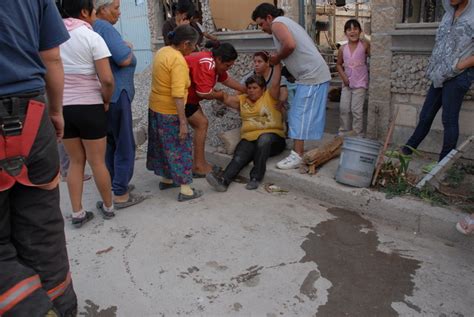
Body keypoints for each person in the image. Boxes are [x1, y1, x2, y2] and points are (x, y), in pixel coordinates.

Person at [0, 0, 78, 315]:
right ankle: (61, 307)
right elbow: (51, 57)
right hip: (33, 115)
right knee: (42, 229)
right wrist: (56, 112)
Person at [57, 0, 116, 227]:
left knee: (75, 161)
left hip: (64, 107)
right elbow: (107, 79)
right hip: (91, 106)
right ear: (84, 12)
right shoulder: (92, 37)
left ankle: (77, 213)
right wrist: (106, 100)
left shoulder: (53, 38)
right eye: (92, 11)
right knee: (97, 161)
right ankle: (109, 206)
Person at [252, 3, 331, 170]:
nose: (261, 28)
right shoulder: (284, 22)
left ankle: (297, 155)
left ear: (268, 18)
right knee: (298, 113)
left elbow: (290, 45)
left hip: (312, 76)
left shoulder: (277, 24)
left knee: (297, 114)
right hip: (310, 75)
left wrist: (277, 58)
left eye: (261, 24)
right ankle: (298, 151)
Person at [401, 0, 473, 163]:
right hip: (440, 74)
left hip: (458, 75)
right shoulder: (448, 14)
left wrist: (457, 66)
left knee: (448, 119)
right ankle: (406, 151)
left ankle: (443, 165)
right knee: (426, 115)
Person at [94, 0, 145, 208]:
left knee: (111, 142)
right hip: (117, 93)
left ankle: (117, 184)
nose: (119, 13)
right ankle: (121, 193)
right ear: (102, 9)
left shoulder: (93, 27)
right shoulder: (104, 27)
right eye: (115, 8)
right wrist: (129, 49)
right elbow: (124, 59)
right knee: (124, 142)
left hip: (107, 96)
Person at [206, 64, 286, 191]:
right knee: (240, 155)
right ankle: (223, 181)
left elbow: (276, 82)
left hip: (274, 140)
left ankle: (255, 178)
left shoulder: (270, 96)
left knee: (264, 139)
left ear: (263, 89)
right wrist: (212, 92)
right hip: (250, 138)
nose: (251, 90)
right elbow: (226, 98)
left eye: (255, 88)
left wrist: (276, 63)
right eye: (249, 88)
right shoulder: (242, 100)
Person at [147, 25, 203, 201]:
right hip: (170, 111)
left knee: (163, 146)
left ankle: (167, 178)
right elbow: (178, 94)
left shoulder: (162, 51)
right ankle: (186, 189)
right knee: (180, 147)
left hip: (155, 107)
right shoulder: (178, 61)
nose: (194, 49)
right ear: (186, 44)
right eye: (194, 45)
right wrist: (183, 122)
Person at [185, 40, 246, 177]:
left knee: (201, 124)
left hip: (188, 97)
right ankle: (199, 166)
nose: (228, 68)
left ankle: (198, 163)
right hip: (182, 98)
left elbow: (226, 80)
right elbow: (204, 93)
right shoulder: (207, 64)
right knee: (201, 124)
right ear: (218, 59)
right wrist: (221, 95)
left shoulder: (213, 63)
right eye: (227, 65)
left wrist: (244, 89)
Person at [336, 19, 370, 136]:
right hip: (347, 84)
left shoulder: (364, 45)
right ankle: (343, 133)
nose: (353, 32)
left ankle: (357, 134)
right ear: (345, 33)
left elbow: (374, 57)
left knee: (357, 111)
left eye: (355, 29)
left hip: (360, 83)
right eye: (349, 29)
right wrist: (344, 77)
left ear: (360, 31)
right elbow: (338, 64)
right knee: (344, 109)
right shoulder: (342, 48)